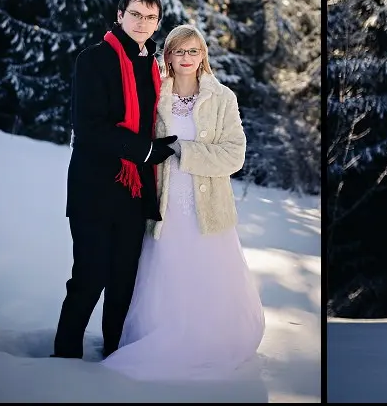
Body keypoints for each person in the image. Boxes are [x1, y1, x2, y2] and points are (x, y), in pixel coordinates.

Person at [99, 23, 265, 381]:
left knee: (207, 273)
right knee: (165, 271)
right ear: (168, 56)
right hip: (162, 202)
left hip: (208, 206)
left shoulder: (222, 98)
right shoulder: (155, 95)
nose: (186, 58)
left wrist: (183, 151)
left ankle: (210, 340)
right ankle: (157, 337)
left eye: (193, 51)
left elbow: (234, 156)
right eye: (179, 51)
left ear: (203, 55)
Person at [54, 0, 177, 360]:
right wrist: (145, 151)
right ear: (120, 14)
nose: (143, 23)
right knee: (90, 277)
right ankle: (65, 354)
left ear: (157, 23)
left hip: (135, 191)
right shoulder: (93, 59)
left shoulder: (153, 66)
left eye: (150, 17)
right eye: (136, 14)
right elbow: (89, 127)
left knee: (124, 281)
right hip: (94, 187)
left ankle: (114, 353)